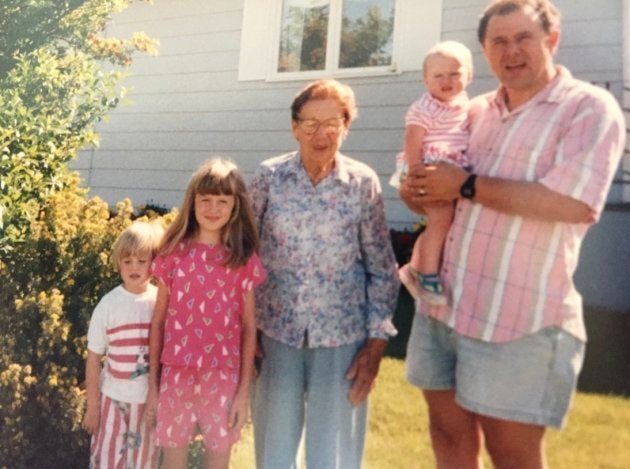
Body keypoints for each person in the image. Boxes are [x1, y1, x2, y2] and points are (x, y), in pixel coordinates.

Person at [400, 1, 625, 468]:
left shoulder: (587, 108)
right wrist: (417, 190)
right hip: (443, 306)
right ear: (484, 51)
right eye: (498, 42)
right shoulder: (473, 110)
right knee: (448, 438)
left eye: (524, 37)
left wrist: (464, 184)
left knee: (512, 455)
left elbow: (573, 202)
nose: (512, 51)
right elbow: (436, 190)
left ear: (552, 40)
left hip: (518, 318)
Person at [249, 78, 400, 469]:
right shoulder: (268, 178)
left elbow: (382, 268)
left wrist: (376, 345)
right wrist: (243, 332)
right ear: (294, 126)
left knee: (333, 457)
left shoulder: (362, 183)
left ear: (346, 127)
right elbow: (243, 259)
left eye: (332, 123)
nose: (321, 133)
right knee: (274, 453)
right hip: (275, 333)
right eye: (311, 123)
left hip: (343, 338)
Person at [145, 159, 266, 469]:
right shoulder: (174, 254)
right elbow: (158, 323)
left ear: (235, 207)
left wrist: (242, 394)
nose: (213, 208)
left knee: (218, 459)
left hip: (222, 375)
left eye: (222, 201)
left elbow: (249, 327)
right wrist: (154, 389)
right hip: (176, 373)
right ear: (193, 202)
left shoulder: (241, 260)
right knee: (173, 459)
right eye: (206, 200)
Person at [391, 40, 474, 305]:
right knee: (441, 219)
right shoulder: (424, 107)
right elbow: (413, 139)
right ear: (426, 80)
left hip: (445, 171)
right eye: (438, 75)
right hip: (425, 168)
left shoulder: (467, 106)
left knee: (443, 220)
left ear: (469, 76)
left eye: (455, 73)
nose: (446, 81)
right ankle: (425, 274)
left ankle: (415, 266)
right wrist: (415, 171)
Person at [83, 220, 164, 469]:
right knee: (106, 460)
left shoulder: (159, 302)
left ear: (154, 262)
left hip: (147, 403)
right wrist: (92, 406)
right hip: (112, 400)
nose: (134, 267)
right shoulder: (109, 304)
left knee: (143, 463)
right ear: (118, 263)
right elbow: (94, 357)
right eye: (127, 261)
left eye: (142, 261)